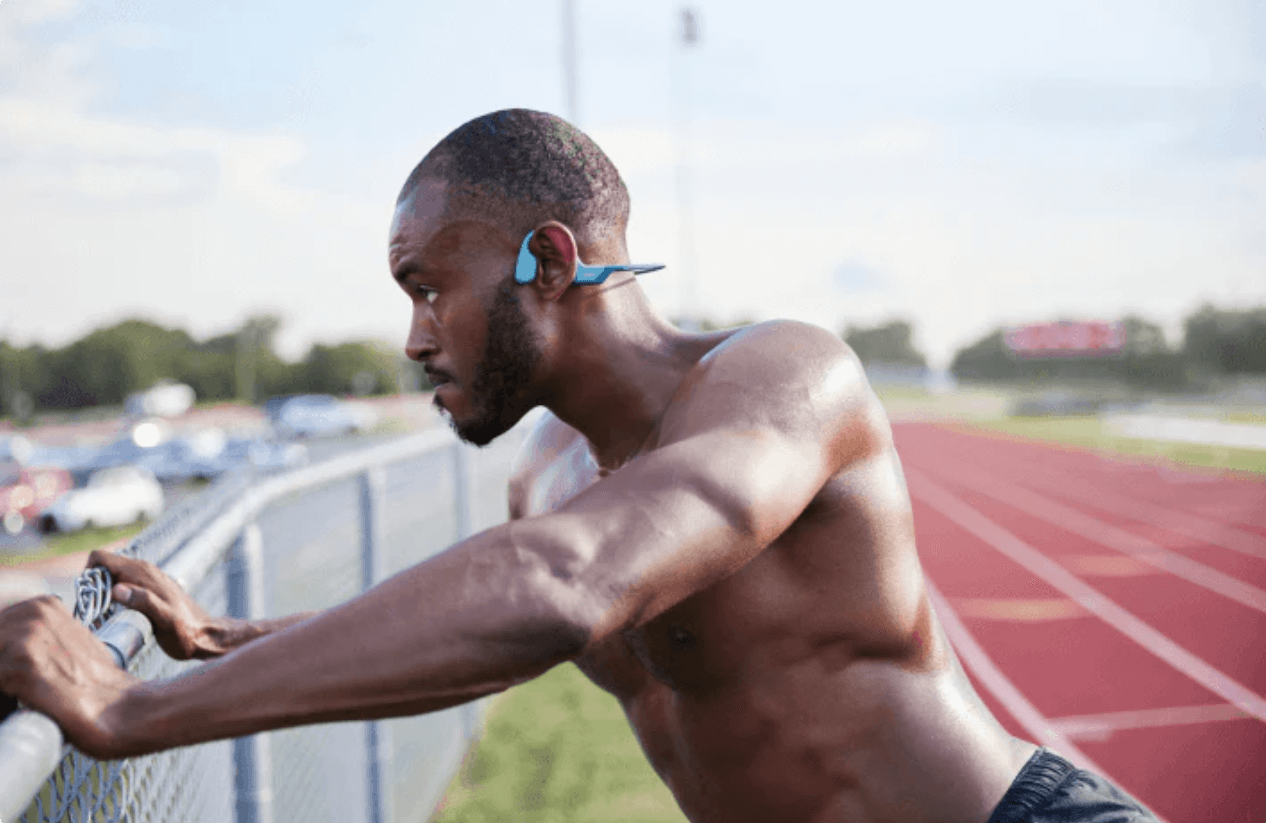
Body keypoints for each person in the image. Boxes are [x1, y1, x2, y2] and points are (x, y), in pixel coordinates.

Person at [0, 109, 1158, 823]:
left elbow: (566, 583)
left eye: (427, 286)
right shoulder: (545, 468)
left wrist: (134, 710)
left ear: (547, 260)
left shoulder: (785, 378)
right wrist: (226, 643)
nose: (413, 337)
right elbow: (495, 637)